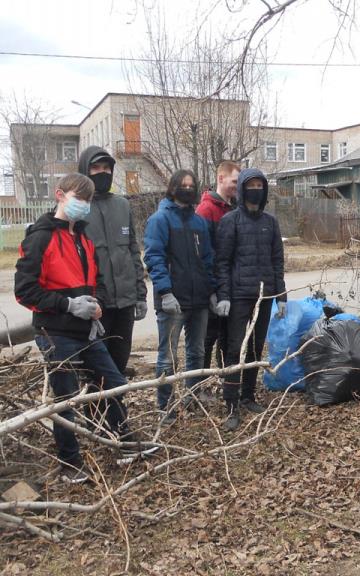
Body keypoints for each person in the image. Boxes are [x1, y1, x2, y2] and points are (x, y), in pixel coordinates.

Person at [14, 174, 146, 483]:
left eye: (87, 200)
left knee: (114, 383)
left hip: (85, 332)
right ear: (60, 195)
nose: (84, 205)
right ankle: (70, 463)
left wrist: (96, 305)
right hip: (55, 332)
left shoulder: (84, 238)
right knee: (66, 398)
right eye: (78, 198)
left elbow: (94, 280)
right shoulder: (40, 237)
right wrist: (68, 305)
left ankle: (124, 443)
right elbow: (25, 291)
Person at [214, 168, 286, 431]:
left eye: (259, 185)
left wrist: (281, 296)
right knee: (235, 349)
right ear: (243, 189)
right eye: (251, 185)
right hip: (238, 297)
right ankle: (231, 404)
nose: (256, 189)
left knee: (255, 348)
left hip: (264, 297)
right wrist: (224, 296)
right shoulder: (230, 221)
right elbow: (222, 262)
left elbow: (277, 261)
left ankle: (248, 396)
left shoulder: (271, 222)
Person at [144, 169, 215, 424]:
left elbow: (208, 260)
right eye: (182, 185)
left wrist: (212, 291)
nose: (187, 189)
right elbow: (154, 257)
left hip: (199, 301)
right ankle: (165, 407)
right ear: (173, 187)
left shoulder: (199, 223)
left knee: (197, 352)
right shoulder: (160, 220)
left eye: (191, 185)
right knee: (168, 357)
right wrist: (165, 292)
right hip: (172, 301)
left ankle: (191, 398)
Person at [77, 146, 148, 376]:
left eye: (106, 168)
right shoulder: (77, 208)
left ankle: (117, 398)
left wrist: (140, 295)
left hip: (125, 302)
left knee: (119, 361)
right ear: (85, 171)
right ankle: (95, 400)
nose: (102, 172)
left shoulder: (122, 205)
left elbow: (133, 251)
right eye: (96, 168)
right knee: (95, 368)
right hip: (96, 304)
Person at [196, 160, 240, 382]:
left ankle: (225, 379)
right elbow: (202, 253)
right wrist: (212, 289)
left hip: (231, 283)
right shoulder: (206, 210)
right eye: (234, 181)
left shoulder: (234, 207)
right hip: (213, 284)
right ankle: (201, 383)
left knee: (227, 334)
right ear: (221, 179)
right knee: (208, 336)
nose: (237, 186)